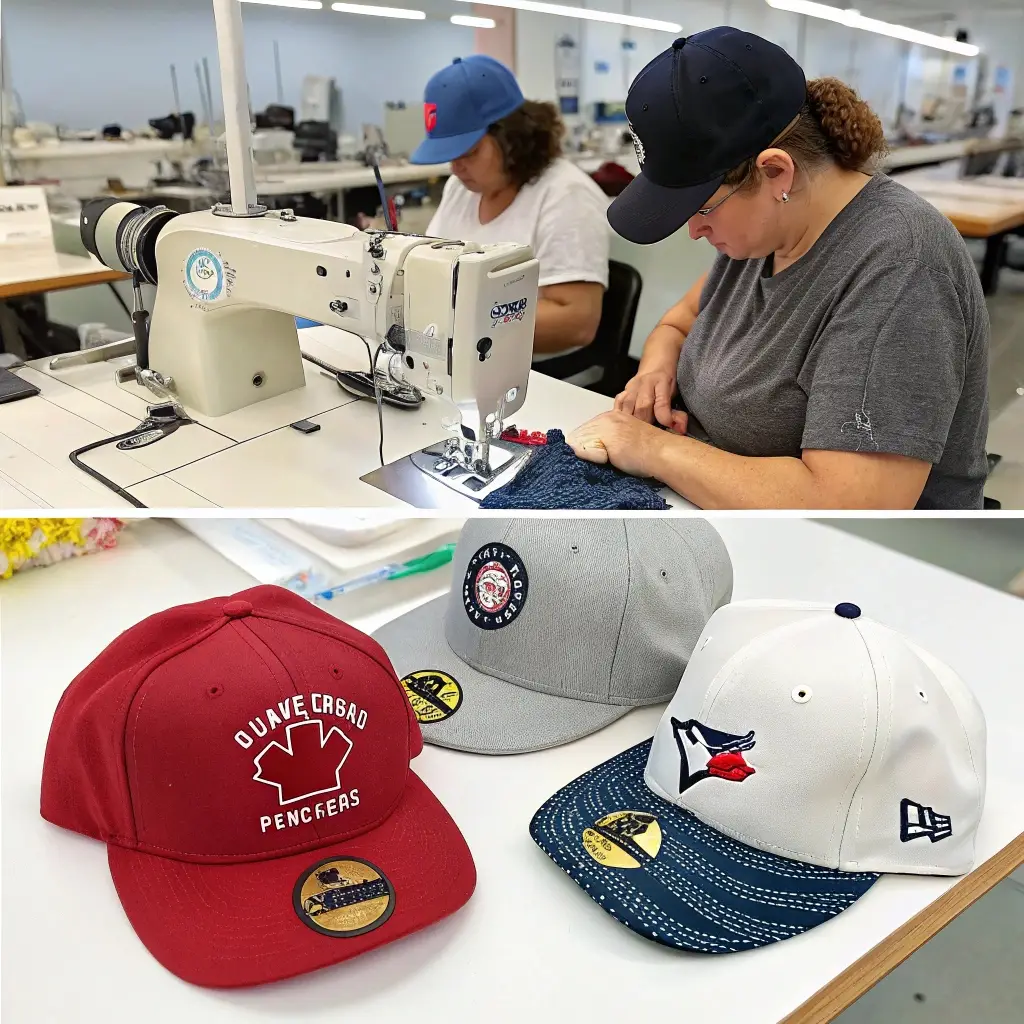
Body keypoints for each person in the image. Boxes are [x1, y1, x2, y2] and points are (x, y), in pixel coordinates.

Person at [565, 27, 990, 510]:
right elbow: (679, 322)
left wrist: (653, 449)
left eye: (701, 209)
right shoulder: (765, 237)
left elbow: (850, 505)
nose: (694, 232)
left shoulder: (899, 267)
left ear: (776, 172)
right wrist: (656, 370)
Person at [409, 55, 610, 364]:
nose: (456, 167)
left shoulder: (565, 195)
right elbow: (429, 267)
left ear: (513, 137)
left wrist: (457, 318)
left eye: (470, 152)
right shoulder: (460, 189)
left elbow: (577, 322)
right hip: (458, 357)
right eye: (450, 155)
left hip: (535, 374)